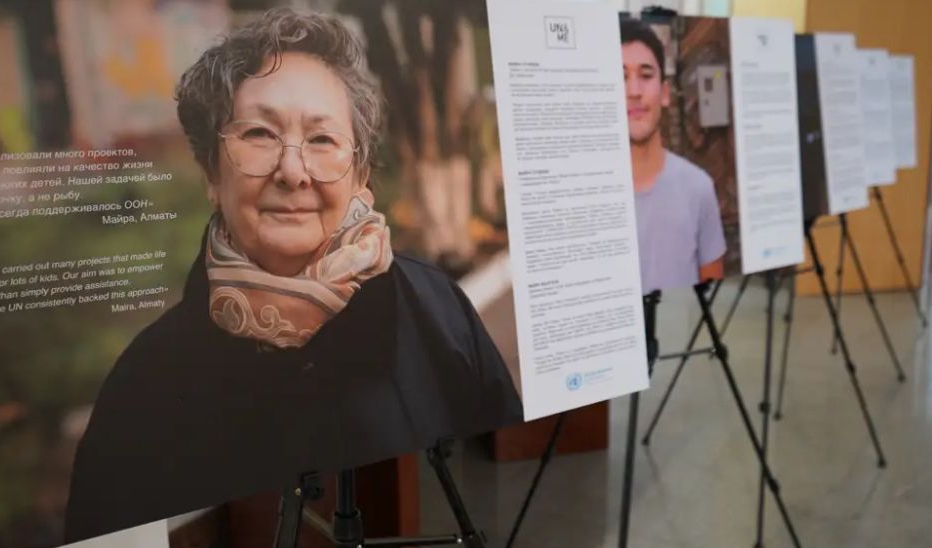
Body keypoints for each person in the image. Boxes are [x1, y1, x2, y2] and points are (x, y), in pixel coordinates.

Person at [64, 9, 522, 543]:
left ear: (361, 174)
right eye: (259, 133)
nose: (293, 170)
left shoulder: (436, 310)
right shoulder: (143, 383)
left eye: (323, 140)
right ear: (212, 170)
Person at [621, 19, 726, 292]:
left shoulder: (698, 187)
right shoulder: (585, 194)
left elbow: (711, 290)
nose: (634, 91)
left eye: (645, 75)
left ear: (665, 93)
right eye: (620, 77)